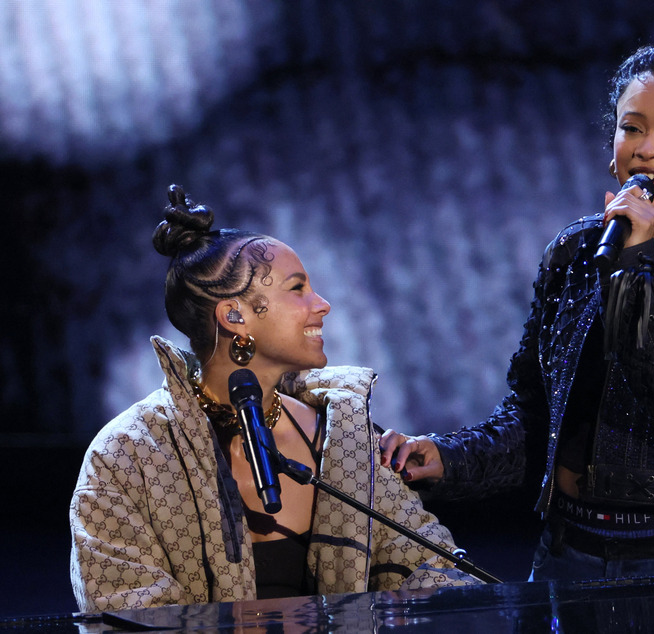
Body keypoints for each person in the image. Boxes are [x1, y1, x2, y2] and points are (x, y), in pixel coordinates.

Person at [381, 30, 654, 581]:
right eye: (631, 128)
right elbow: (535, 418)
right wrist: (446, 457)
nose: (645, 148)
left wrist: (637, 267)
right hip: (566, 553)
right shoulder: (578, 250)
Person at [69, 185, 478, 613]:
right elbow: (121, 611)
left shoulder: (345, 440)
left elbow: (440, 572)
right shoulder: (125, 456)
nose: (322, 305)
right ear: (234, 316)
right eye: (297, 288)